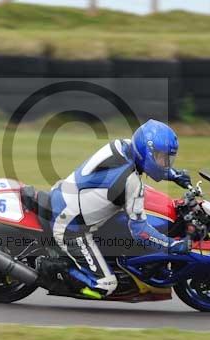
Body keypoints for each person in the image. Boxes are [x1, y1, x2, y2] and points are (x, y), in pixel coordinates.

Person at [41, 119, 192, 299]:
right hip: (70, 225)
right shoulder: (131, 182)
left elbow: (146, 164)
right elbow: (141, 232)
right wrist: (172, 245)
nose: (165, 164)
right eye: (162, 158)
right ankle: (52, 269)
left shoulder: (123, 146)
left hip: (65, 194)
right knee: (104, 286)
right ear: (147, 152)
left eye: (168, 159)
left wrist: (173, 175)